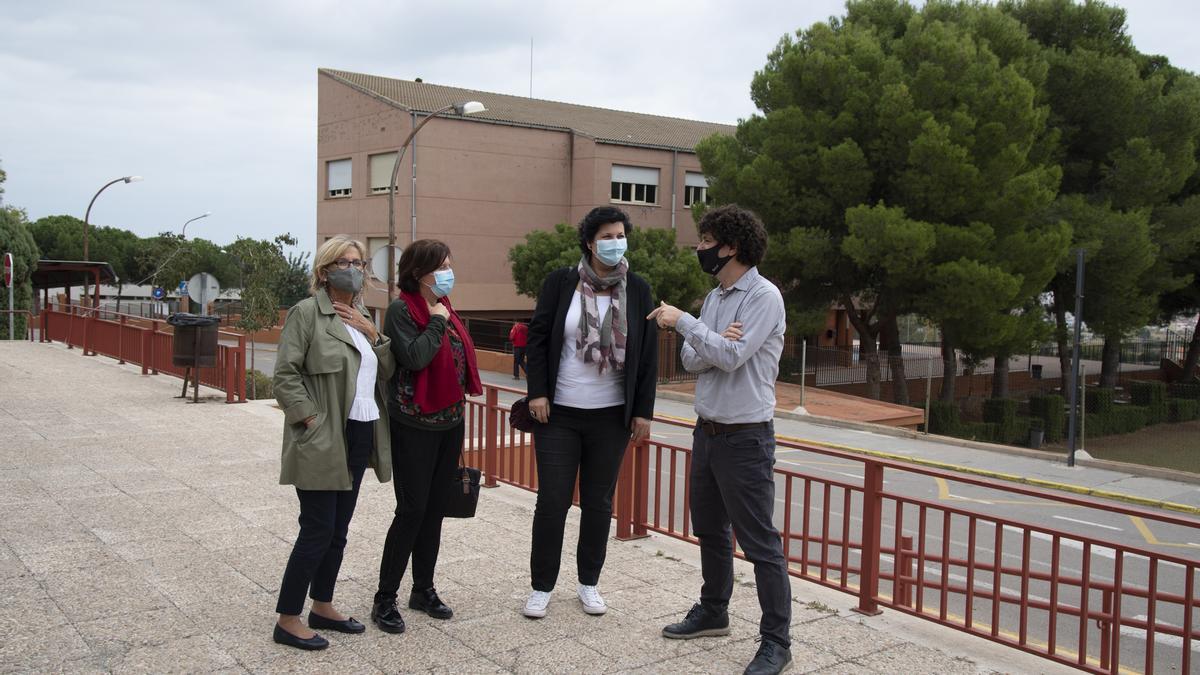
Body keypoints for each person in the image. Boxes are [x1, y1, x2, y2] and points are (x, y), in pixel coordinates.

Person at [647, 205, 792, 675]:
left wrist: (687, 323)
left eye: (706, 239)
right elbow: (694, 360)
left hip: (746, 437)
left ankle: (777, 642)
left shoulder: (763, 296)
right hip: (707, 432)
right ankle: (715, 610)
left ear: (730, 245)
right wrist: (712, 339)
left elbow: (727, 355)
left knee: (760, 543)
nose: (700, 247)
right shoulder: (717, 298)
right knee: (709, 528)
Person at [522, 206, 657, 619]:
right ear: (589, 242)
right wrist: (538, 393)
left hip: (611, 416)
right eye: (607, 236)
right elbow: (538, 337)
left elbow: (648, 354)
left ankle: (589, 583)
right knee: (552, 501)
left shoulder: (637, 288)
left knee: (599, 502)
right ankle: (542, 586)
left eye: (621, 234)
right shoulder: (561, 283)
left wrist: (643, 412)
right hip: (559, 412)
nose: (616, 242)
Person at [272, 235, 395, 650]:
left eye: (360, 263)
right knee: (318, 529)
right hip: (325, 433)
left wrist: (373, 333)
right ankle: (288, 618)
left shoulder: (360, 313)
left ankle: (322, 604)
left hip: (361, 430)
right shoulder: (306, 313)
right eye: (346, 262)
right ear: (324, 272)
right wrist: (311, 419)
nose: (356, 269)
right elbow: (285, 375)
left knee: (338, 530)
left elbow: (387, 371)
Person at [372, 239, 483, 634]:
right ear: (419, 274)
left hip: (449, 423)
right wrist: (437, 321)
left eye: (451, 265)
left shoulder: (444, 306)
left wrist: (441, 316)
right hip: (413, 425)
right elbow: (415, 357)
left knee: (435, 510)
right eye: (442, 267)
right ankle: (385, 597)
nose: (449, 273)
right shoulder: (403, 310)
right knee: (412, 510)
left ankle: (423, 589)